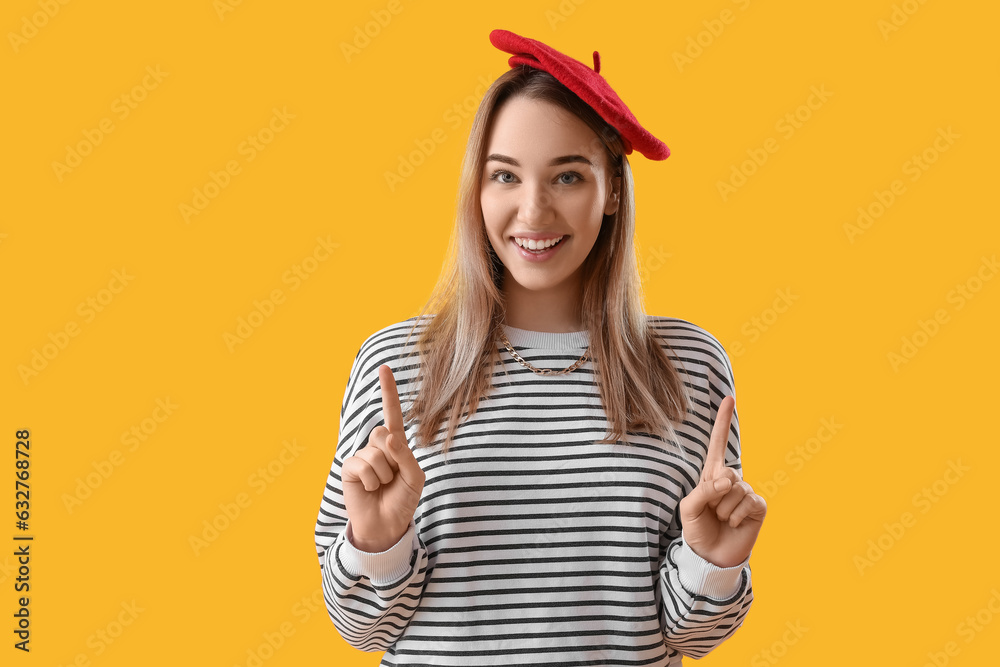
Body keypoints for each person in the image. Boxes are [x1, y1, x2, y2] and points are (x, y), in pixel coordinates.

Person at [315, 29, 767, 666]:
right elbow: (362, 630)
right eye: (505, 176)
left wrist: (712, 561)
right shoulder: (399, 366)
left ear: (611, 189)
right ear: (478, 188)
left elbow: (691, 639)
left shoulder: (688, 367)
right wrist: (376, 540)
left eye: (567, 176)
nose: (533, 211)